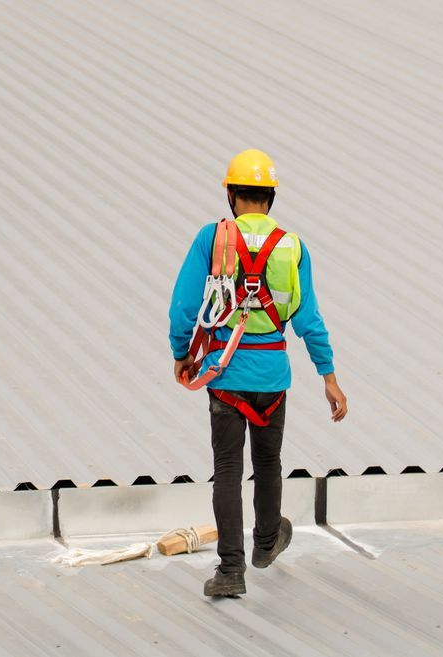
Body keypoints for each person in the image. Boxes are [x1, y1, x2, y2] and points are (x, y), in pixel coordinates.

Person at [168, 149, 348, 597]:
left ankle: (231, 571)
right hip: (272, 378)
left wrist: (181, 352)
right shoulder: (292, 246)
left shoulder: (211, 239)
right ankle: (267, 541)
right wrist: (328, 376)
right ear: (271, 197)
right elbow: (309, 320)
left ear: (230, 194)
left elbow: (184, 307)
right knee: (268, 462)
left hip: (224, 374)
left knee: (228, 468)